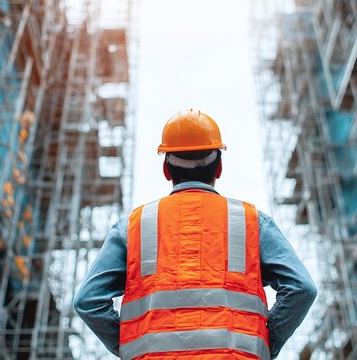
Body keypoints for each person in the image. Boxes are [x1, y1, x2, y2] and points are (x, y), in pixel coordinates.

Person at [74, 109, 317, 359]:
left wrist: (133, 346)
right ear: (219, 167)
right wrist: (266, 341)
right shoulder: (251, 221)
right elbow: (302, 288)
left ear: (166, 170)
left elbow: (88, 301)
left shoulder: (132, 227)